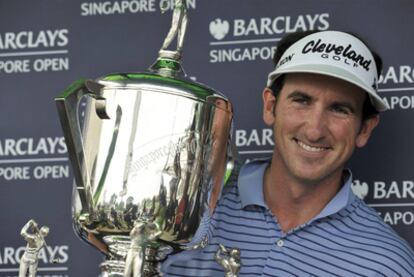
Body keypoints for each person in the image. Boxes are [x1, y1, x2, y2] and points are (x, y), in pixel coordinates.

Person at [162, 30, 414, 276]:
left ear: (364, 129)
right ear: (271, 106)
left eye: (339, 109)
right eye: (302, 100)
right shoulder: (185, 207)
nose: (315, 131)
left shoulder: (387, 265)